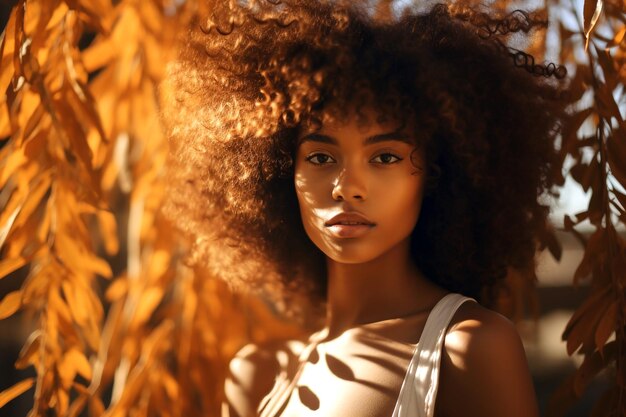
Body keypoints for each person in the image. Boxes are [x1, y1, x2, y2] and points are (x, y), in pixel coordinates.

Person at [162, 1, 566, 416]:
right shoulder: (258, 374)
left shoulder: (469, 349)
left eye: (385, 157)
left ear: (438, 174)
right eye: (321, 158)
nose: (347, 187)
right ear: (277, 174)